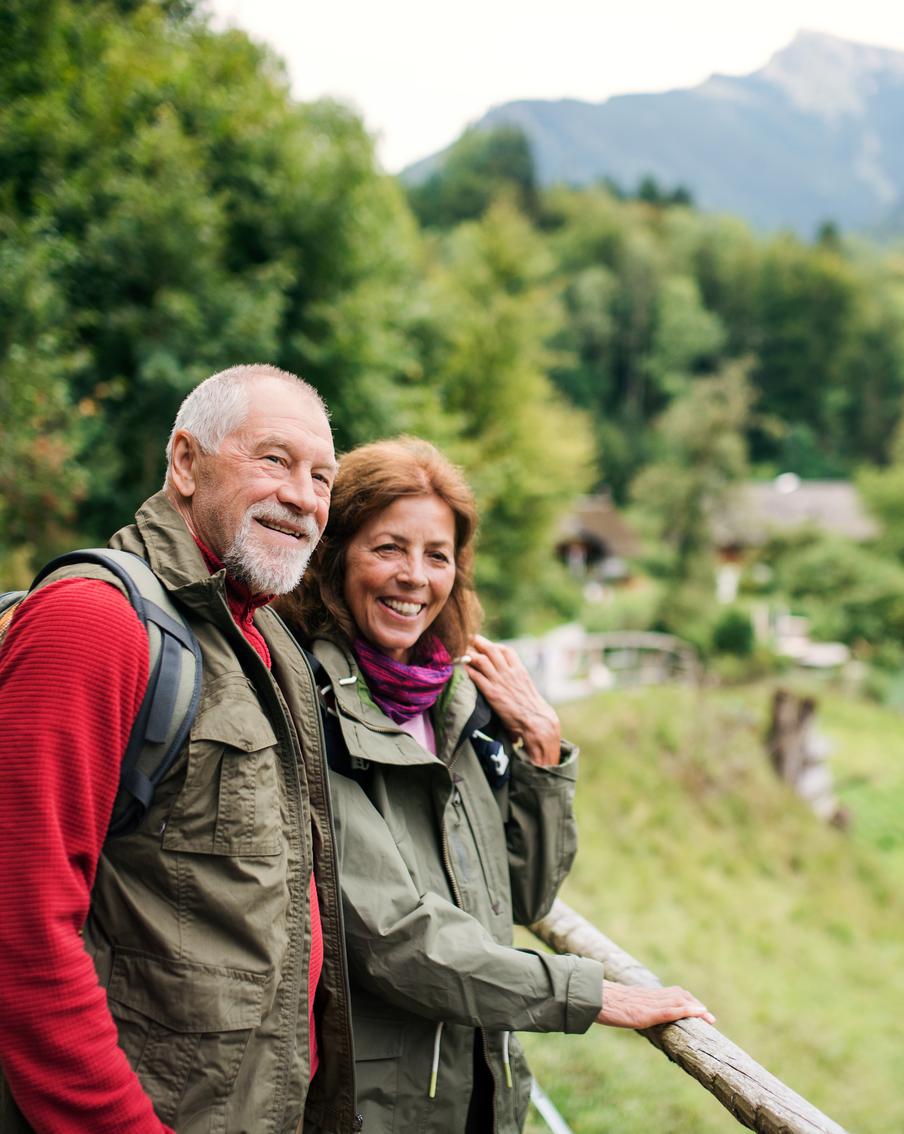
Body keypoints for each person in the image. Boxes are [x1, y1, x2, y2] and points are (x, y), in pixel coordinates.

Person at [282, 436, 715, 1134]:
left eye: (438, 555)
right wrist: (593, 995)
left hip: (482, 1089)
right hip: (376, 1108)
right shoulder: (310, 704)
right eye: (388, 548)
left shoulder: (458, 703)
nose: (414, 577)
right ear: (335, 557)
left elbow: (520, 896)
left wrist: (542, 750)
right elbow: (394, 939)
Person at [0, 365, 359, 1134]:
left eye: (321, 475)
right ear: (186, 464)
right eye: (274, 460)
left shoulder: (267, 644)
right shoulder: (92, 623)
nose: (303, 496)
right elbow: (20, 930)